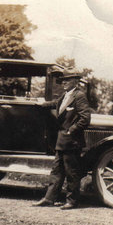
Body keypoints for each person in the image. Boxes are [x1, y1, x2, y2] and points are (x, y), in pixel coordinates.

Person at [32, 68, 91, 210]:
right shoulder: (66, 95)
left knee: (71, 172)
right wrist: (40, 103)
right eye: (63, 80)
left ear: (76, 81)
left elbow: (85, 118)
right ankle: (49, 199)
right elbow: (55, 104)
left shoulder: (79, 96)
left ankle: (72, 201)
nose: (64, 83)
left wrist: (71, 130)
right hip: (61, 141)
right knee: (56, 171)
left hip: (72, 141)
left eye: (68, 80)